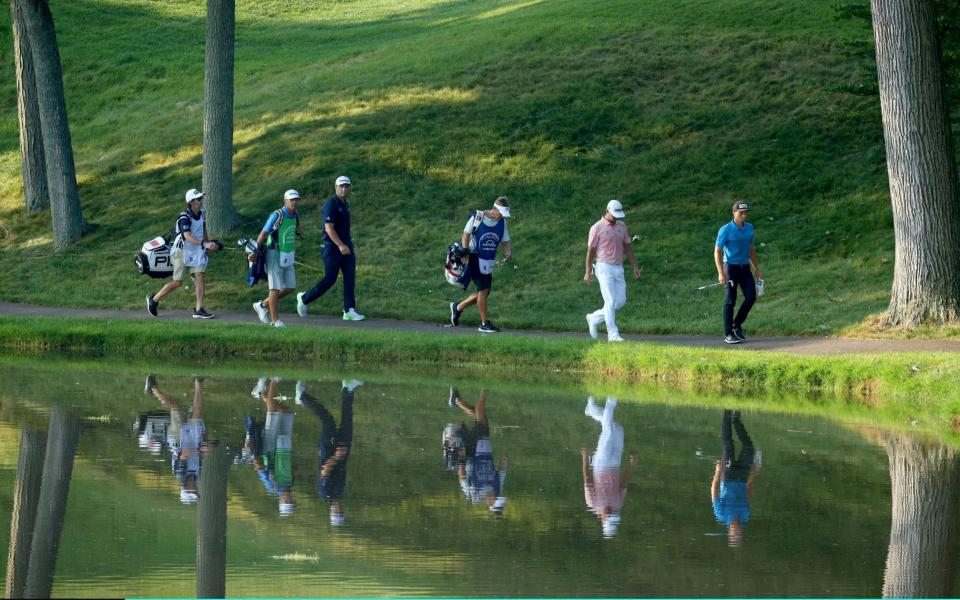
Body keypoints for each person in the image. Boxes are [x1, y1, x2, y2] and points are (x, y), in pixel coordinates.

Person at [297, 176, 365, 321]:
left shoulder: (346, 204)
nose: (344, 189)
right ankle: (304, 298)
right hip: (332, 248)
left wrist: (346, 245)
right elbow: (329, 228)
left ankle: (349, 310)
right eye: (341, 186)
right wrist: (340, 245)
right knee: (330, 279)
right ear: (336, 187)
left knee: (350, 278)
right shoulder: (331, 204)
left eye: (346, 186)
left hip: (346, 246)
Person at [147, 189, 219, 319]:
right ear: (191, 202)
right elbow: (187, 237)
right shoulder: (184, 218)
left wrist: (208, 246)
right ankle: (154, 299)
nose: (201, 200)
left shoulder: (202, 213)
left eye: (201, 198)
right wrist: (205, 244)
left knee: (200, 277)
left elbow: (203, 230)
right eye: (199, 199)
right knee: (177, 282)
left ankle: (199, 309)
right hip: (181, 252)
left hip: (197, 251)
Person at [298, 379, 361, 526]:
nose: (338, 510)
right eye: (340, 513)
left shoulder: (325, 494)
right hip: (343, 451)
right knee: (347, 420)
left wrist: (336, 456)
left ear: (330, 512)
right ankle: (348, 388)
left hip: (329, 450)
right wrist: (342, 455)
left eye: (336, 513)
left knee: (328, 421)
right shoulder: (341, 494)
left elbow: (324, 471)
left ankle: (302, 397)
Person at [449, 197, 513, 333]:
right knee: (483, 290)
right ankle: (484, 323)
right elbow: (465, 235)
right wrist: (465, 252)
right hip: (474, 257)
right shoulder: (477, 218)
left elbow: (505, 240)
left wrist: (508, 252)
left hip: (488, 260)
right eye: (500, 213)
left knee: (484, 293)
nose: (501, 216)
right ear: (494, 209)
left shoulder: (502, 223)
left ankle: (458, 307)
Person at [583, 200, 642, 343]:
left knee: (620, 301)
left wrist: (635, 266)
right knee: (609, 300)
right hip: (603, 267)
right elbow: (590, 251)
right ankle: (613, 334)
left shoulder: (622, 226)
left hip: (618, 267)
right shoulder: (596, 227)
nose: (616, 217)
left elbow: (628, 247)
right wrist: (588, 271)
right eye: (614, 214)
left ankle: (594, 318)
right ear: (607, 211)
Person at [582, 396, 637, 538]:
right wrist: (632, 465)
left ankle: (612, 399)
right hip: (615, 464)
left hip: (600, 463)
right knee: (617, 429)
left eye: (609, 516)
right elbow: (624, 484)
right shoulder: (618, 505)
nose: (611, 512)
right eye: (613, 515)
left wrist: (585, 459)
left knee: (608, 432)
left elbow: (587, 479)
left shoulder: (592, 504)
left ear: (602, 520)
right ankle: (592, 410)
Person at [449, 387, 508, 515]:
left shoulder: (474, 495)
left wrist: (461, 459)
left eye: (495, 499)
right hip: (484, 448)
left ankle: (484, 389)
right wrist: (504, 461)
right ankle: (457, 401)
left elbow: (462, 478)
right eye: (498, 498)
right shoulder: (497, 488)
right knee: (480, 418)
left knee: (481, 420)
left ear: (489, 503)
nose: (497, 496)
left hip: (471, 452)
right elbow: (501, 472)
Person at [710, 409, 761, 547]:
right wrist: (754, 472)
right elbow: (748, 492)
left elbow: (714, 492)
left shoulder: (721, 515)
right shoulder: (745, 517)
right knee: (749, 448)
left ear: (730, 532)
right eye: (739, 533)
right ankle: (736, 420)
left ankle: (727, 411)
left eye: (734, 533)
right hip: (742, 477)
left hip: (728, 476)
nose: (737, 531)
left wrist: (718, 471)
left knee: (728, 445)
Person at [253, 189, 303, 328]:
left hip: (288, 253)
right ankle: (275, 321)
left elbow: (292, 229)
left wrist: (298, 231)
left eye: (296, 199)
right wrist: (256, 251)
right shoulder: (278, 215)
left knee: (290, 287)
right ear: (285, 201)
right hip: (274, 253)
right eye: (291, 200)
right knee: (274, 288)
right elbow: (263, 233)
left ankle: (262, 305)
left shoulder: (295, 214)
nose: (294, 202)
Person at [714, 200, 762, 344]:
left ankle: (736, 324)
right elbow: (717, 251)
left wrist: (757, 270)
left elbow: (751, 249)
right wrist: (721, 272)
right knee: (730, 300)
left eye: (746, 213)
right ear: (734, 213)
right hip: (730, 268)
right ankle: (728, 333)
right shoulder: (725, 230)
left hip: (744, 267)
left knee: (751, 297)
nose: (744, 215)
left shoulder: (749, 228)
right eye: (741, 213)